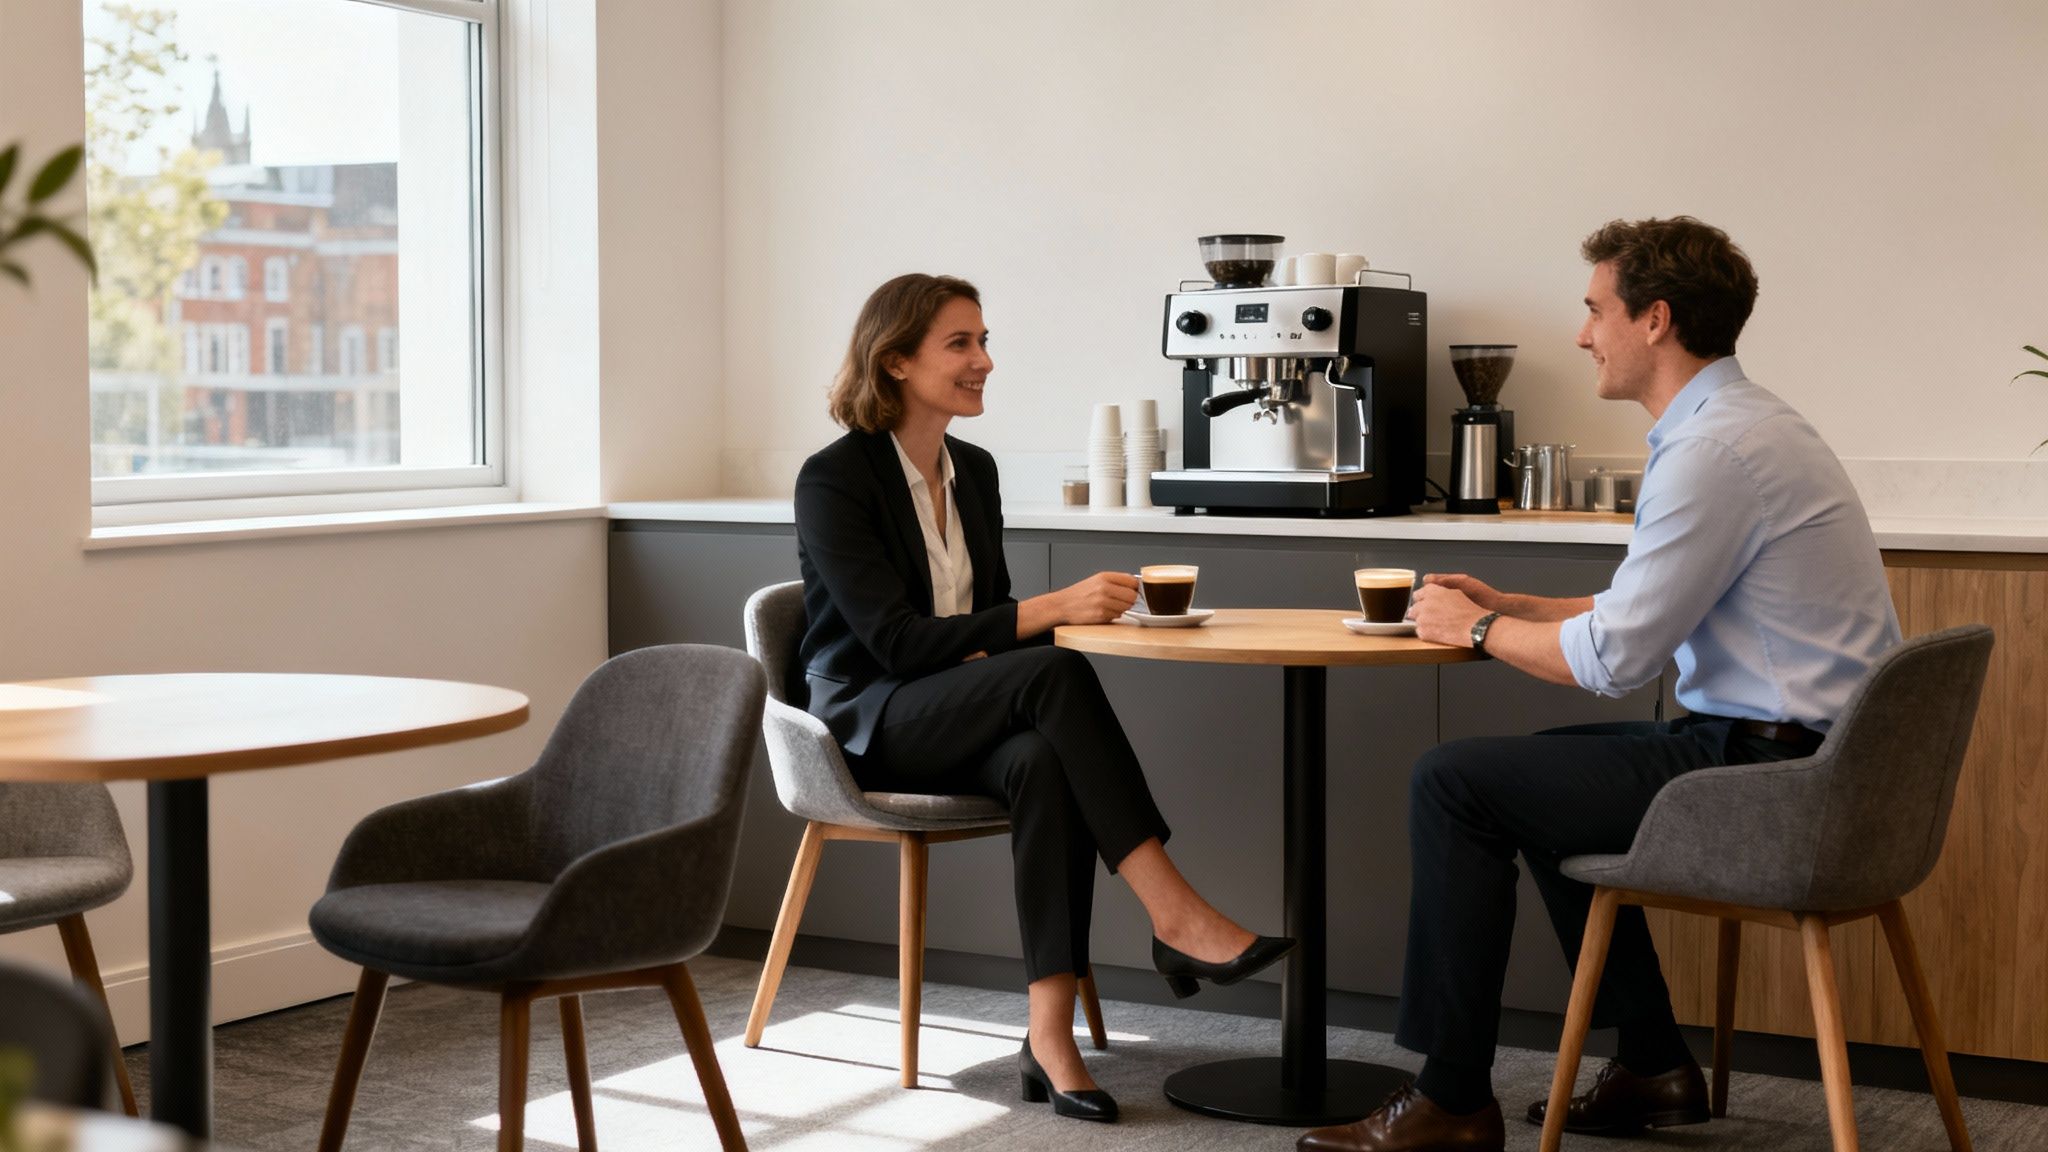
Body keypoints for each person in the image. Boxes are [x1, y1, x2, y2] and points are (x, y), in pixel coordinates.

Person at [1298, 217, 1901, 1152]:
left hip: (1775, 784)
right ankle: (1653, 1066)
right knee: (1539, 782)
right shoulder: (1745, 423)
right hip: (1811, 761)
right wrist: (1514, 603)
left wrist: (1479, 628)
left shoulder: (1711, 452)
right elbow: (1639, 605)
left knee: (1455, 782)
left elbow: (1615, 661)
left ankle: (1452, 1101)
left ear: (1654, 319)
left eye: (1594, 311)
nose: (1583, 335)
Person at [795, 272, 1294, 1124]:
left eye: (985, 341)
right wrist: (1052, 611)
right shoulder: (835, 479)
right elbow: (897, 643)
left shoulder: (975, 473)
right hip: (872, 721)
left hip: (958, 704)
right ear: (896, 361)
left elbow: (989, 626)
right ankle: (1174, 911)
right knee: (1054, 674)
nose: (984, 360)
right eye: (961, 343)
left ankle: (1049, 1036)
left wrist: (1059, 621)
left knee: (1040, 758)